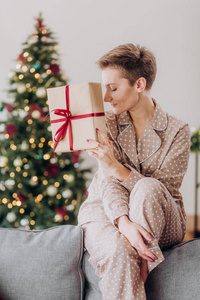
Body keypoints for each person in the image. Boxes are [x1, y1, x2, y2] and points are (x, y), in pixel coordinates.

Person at [78, 43, 190, 299]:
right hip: (105, 209)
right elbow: (108, 183)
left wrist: (116, 167)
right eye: (104, 88)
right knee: (118, 250)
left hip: (162, 214)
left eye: (113, 88)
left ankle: (140, 263)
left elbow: (162, 191)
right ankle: (137, 273)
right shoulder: (106, 123)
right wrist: (123, 222)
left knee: (148, 187)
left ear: (139, 85)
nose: (106, 98)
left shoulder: (177, 131)